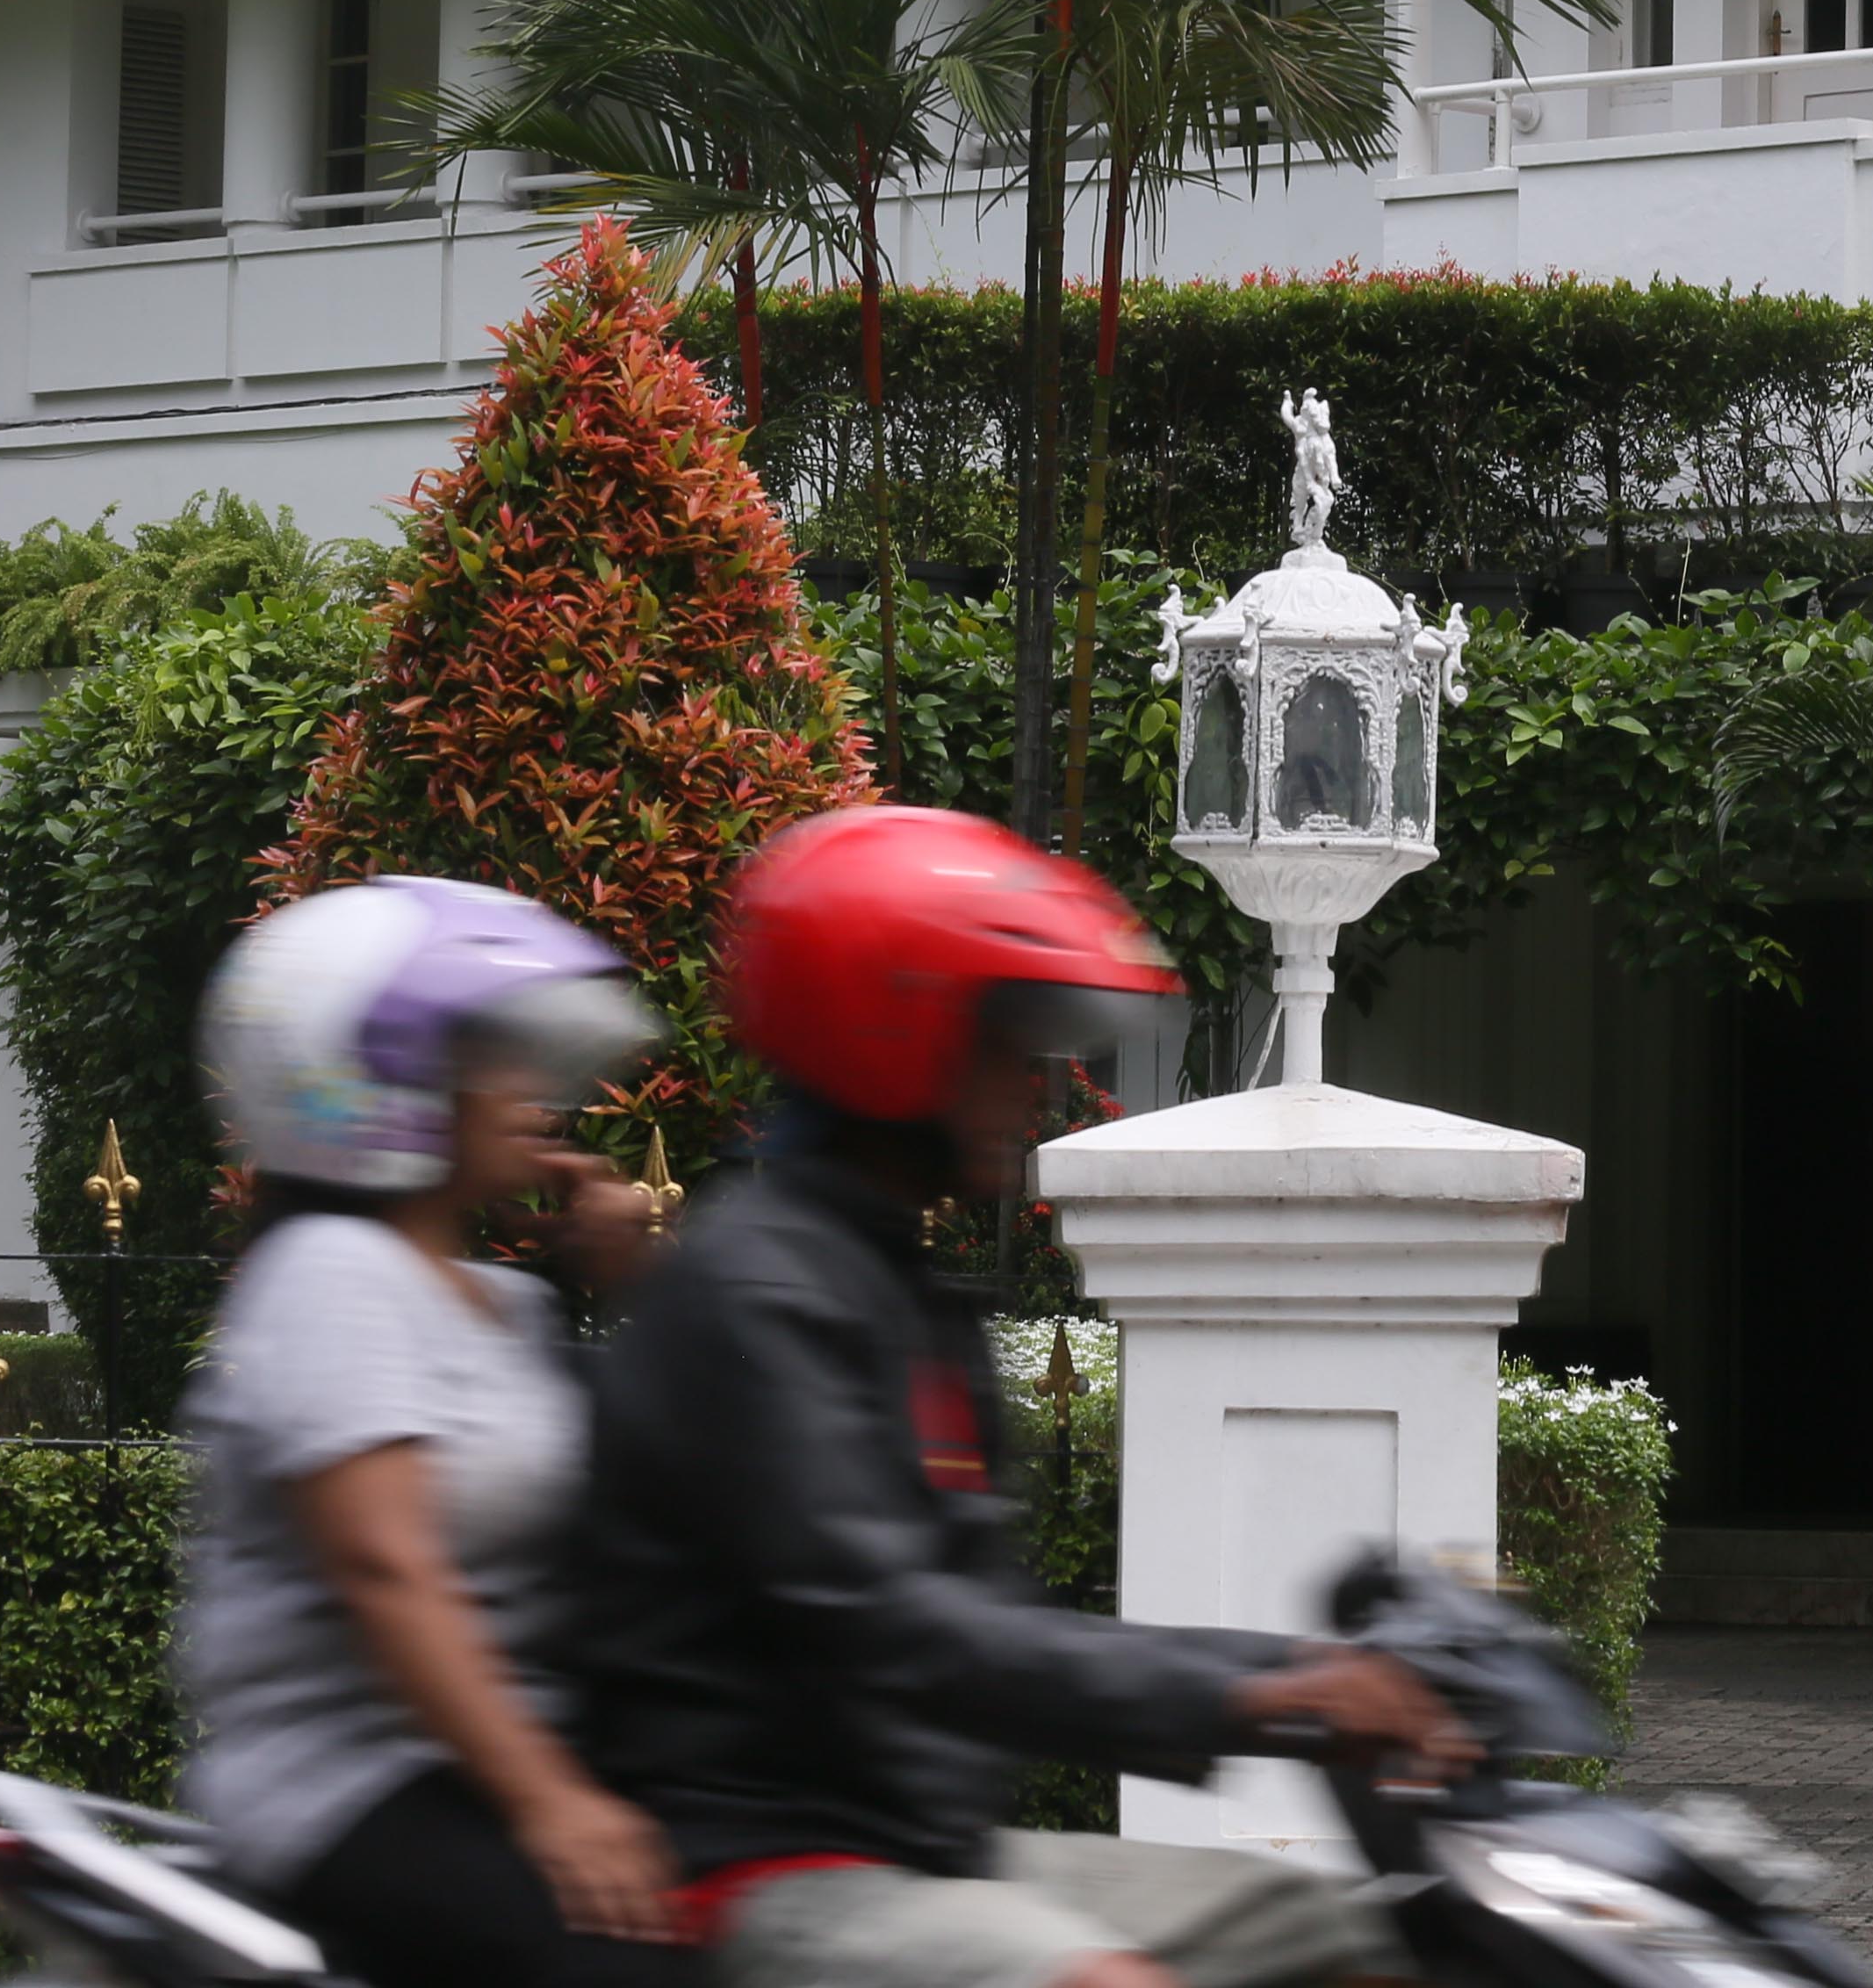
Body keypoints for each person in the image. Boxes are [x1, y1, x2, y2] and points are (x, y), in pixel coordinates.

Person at [568, 803, 1476, 1988]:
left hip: (930, 1852)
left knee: (1335, 1936)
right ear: (886, 1032)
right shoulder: (757, 1297)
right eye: (1003, 1041)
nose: (1036, 1087)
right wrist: (1261, 1696)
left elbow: (1008, 1627)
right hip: (768, 1867)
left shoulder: (890, 1284)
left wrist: (1304, 1666)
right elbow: (902, 1629)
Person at [178, 874, 687, 1988]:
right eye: (489, 1055)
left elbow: (661, 1498)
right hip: (356, 1787)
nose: (535, 1090)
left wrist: (634, 1278)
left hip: (508, 1757)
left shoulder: (510, 1306)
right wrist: (549, 1804)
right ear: (382, 1077)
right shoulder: (331, 1279)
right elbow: (386, 1567)